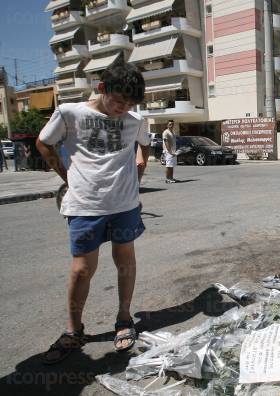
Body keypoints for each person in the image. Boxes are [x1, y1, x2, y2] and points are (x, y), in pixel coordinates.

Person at [36, 62, 150, 364]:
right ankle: (74, 331)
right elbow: (44, 143)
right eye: (118, 101)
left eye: (129, 104)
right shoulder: (71, 113)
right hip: (85, 206)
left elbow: (144, 148)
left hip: (124, 206)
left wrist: (138, 174)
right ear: (102, 89)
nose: (123, 109)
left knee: (125, 260)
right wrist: (66, 178)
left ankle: (124, 318)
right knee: (81, 269)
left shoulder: (135, 119)